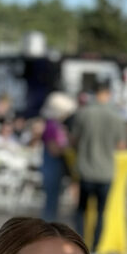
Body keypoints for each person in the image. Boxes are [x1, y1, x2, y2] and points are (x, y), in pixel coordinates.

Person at [70, 79, 127, 254]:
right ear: (108, 94)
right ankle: (94, 250)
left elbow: (74, 140)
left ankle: (79, 245)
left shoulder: (83, 113)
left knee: (81, 210)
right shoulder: (117, 116)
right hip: (106, 171)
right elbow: (122, 145)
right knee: (101, 213)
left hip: (86, 168)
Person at [39, 91, 76, 221]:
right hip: (52, 167)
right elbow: (54, 149)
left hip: (53, 166)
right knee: (52, 200)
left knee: (53, 199)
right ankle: (49, 227)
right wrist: (67, 149)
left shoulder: (55, 125)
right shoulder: (51, 126)